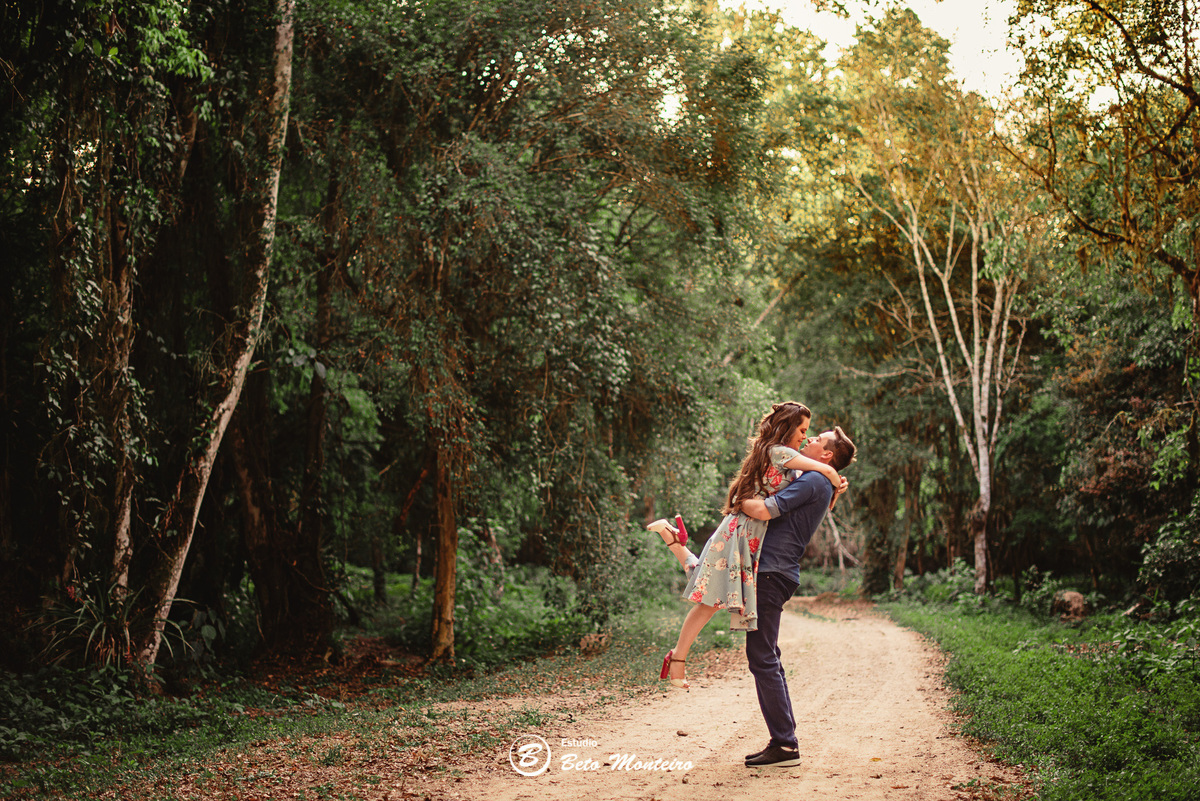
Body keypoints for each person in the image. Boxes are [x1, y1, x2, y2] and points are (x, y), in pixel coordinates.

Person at [645, 402, 846, 690]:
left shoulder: (787, 459)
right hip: (741, 529)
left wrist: (833, 486)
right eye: (803, 430)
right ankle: (677, 659)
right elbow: (820, 469)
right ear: (788, 428)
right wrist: (834, 477)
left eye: (809, 433)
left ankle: (676, 543)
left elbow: (808, 489)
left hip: (750, 533)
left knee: (710, 586)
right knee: (709, 597)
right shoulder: (779, 452)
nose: (805, 436)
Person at [738, 426, 857, 768]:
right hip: (777, 570)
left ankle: (786, 745)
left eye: (817, 439)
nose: (809, 440)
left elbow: (765, 510)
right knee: (768, 655)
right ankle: (784, 740)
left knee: (762, 656)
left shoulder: (815, 480)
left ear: (827, 454)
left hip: (772, 570)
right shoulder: (817, 479)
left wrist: (737, 500)